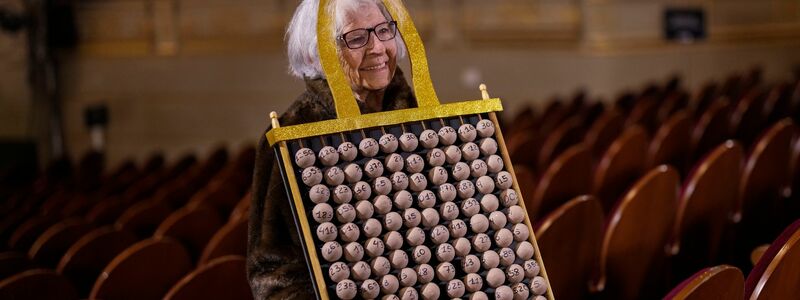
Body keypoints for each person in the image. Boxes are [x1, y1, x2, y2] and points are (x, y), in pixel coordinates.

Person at [247, 0, 416, 298]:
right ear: (316, 54)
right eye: (356, 38)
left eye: (383, 30)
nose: (377, 47)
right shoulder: (292, 134)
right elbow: (274, 273)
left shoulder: (420, 117)